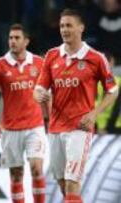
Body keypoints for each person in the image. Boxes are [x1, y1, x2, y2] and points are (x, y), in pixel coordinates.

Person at [33, 9, 119, 203]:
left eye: (69, 25)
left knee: (72, 183)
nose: (64, 29)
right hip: (55, 128)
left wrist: (94, 114)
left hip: (80, 128)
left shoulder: (96, 58)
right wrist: (39, 95)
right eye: (62, 26)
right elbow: (38, 88)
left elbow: (112, 90)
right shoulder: (52, 56)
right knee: (63, 183)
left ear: (81, 28)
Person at [0, 24, 47, 203]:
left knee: (37, 168)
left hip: (35, 126)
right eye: (10, 38)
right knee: (16, 175)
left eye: (17, 38)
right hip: (11, 128)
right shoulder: (0, 65)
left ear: (26, 41)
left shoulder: (39, 63)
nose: (13, 41)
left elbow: (49, 92)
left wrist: (51, 117)